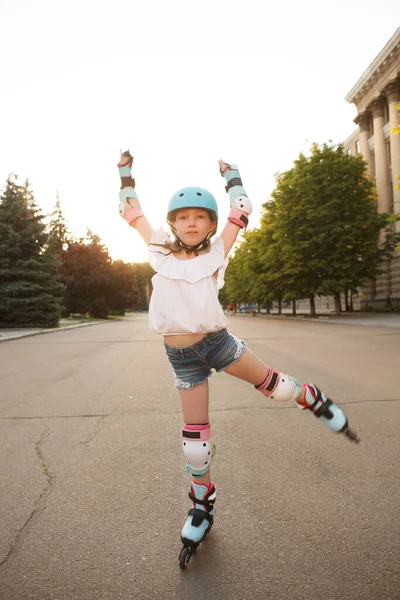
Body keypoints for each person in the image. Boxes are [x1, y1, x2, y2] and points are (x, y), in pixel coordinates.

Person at [117, 150, 359, 561]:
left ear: (211, 224)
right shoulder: (158, 247)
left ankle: (312, 397)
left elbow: (242, 209)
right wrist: (125, 172)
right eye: (183, 216)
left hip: (219, 344)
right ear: (172, 223)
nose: (191, 222)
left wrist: (234, 177)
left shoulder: (217, 252)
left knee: (278, 390)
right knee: (195, 444)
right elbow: (130, 210)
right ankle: (201, 505)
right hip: (182, 359)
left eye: (200, 217)